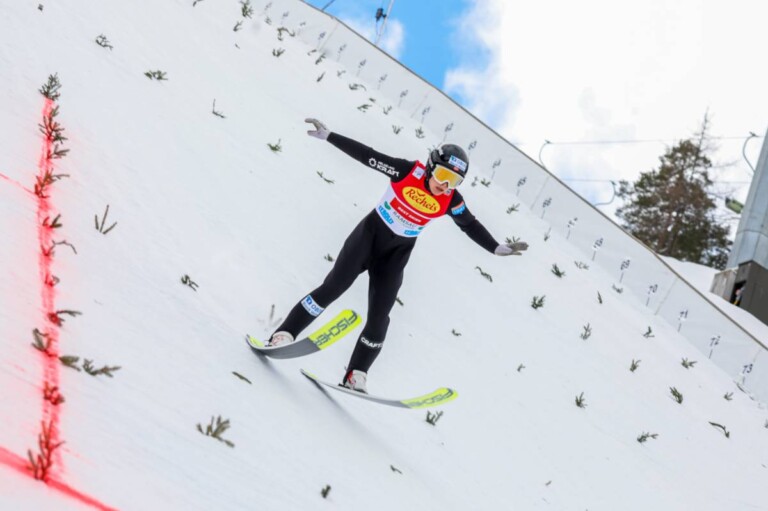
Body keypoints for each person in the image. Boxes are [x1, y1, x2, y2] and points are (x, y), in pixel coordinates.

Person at [267, 118, 529, 393]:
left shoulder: (451, 200)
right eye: (443, 176)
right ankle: (284, 334)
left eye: (454, 181)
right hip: (368, 238)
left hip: (395, 256)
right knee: (334, 287)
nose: (445, 185)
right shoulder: (406, 172)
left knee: (380, 317)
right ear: (430, 167)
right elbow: (370, 157)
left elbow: (470, 225)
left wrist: (496, 248)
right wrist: (331, 136)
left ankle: (356, 374)